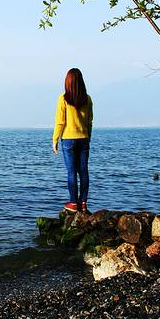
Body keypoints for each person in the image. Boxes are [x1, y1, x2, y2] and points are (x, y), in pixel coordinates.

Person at [52, 68, 93, 213]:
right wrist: (88, 137)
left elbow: (60, 122)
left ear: (67, 82)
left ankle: (73, 203)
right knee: (83, 172)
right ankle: (83, 202)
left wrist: (55, 139)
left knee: (71, 172)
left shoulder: (63, 99)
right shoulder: (87, 99)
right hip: (83, 138)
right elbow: (89, 122)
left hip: (68, 139)